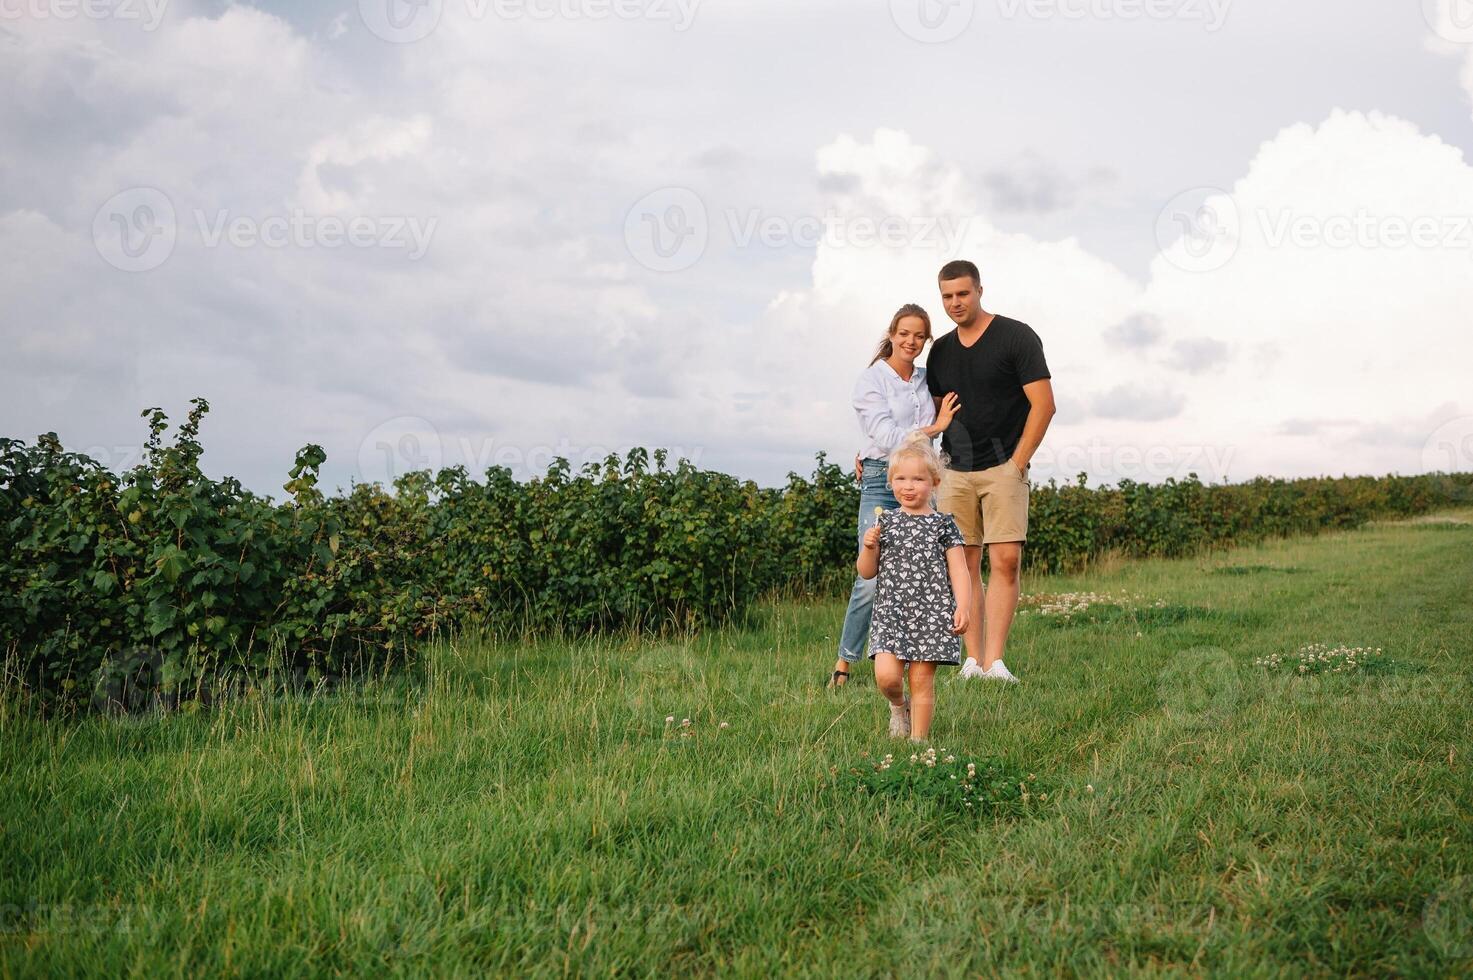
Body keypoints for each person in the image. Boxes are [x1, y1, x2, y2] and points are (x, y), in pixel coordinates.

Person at [926, 259, 1056, 683]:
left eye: (962, 293)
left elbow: (1044, 405)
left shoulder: (1016, 336)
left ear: (980, 290)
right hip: (954, 471)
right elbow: (931, 414)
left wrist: (1017, 463)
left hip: (1003, 466)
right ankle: (972, 661)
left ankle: (995, 663)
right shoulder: (940, 350)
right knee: (963, 564)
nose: (955, 303)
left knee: (1006, 561)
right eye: (947, 296)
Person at [829, 304, 960, 688]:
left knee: (924, 573)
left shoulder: (923, 379)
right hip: (880, 482)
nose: (911, 341)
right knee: (870, 576)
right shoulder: (871, 380)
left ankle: (914, 658)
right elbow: (885, 436)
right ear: (891, 333)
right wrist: (934, 427)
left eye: (920, 336)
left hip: (920, 481)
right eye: (905, 333)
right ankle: (845, 663)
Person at [856, 432, 970, 741]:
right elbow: (866, 573)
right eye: (901, 479)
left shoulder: (943, 524)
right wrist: (869, 548)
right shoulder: (885, 523)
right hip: (891, 613)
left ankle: (919, 744)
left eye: (918, 479)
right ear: (891, 482)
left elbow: (959, 570)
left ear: (934, 483)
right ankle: (897, 705)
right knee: (887, 677)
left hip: (931, 613)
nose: (909, 486)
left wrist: (963, 606)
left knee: (922, 680)